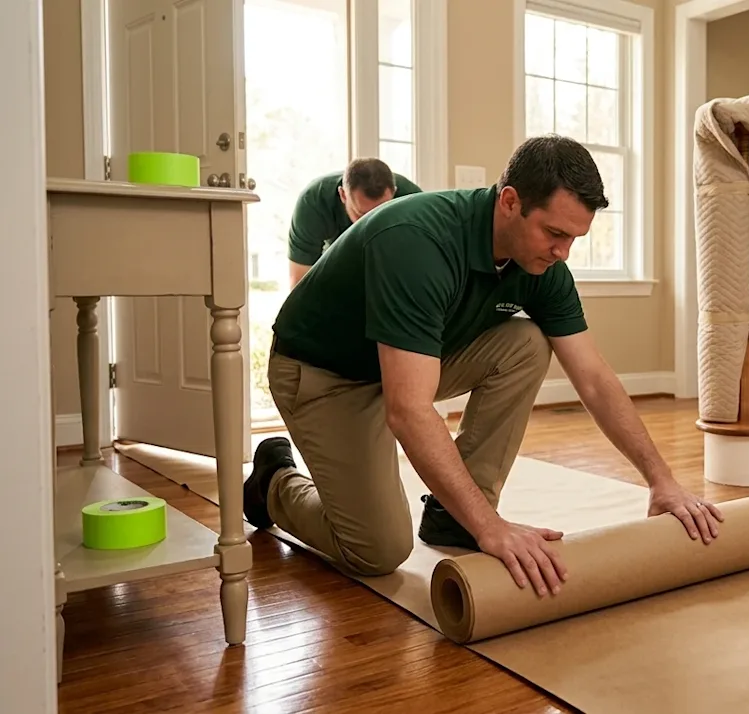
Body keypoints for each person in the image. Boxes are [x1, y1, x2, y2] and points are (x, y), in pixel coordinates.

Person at [245, 135, 724, 599]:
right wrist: (492, 530)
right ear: (510, 201)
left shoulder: (541, 266)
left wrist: (662, 480)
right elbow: (408, 411)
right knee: (377, 550)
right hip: (325, 376)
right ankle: (272, 482)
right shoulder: (418, 242)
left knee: (527, 343)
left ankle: (453, 518)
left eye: (574, 238)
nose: (563, 253)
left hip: (402, 366)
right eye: (555, 233)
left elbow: (594, 379)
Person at [286, 157, 423, 287]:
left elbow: (423, 269)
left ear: (394, 194)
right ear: (343, 195)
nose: (373, 223)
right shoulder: (314, 202)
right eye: (362, 215)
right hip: (335, 265)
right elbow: (299, 282)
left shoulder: (412, 201)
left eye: (382, 212)